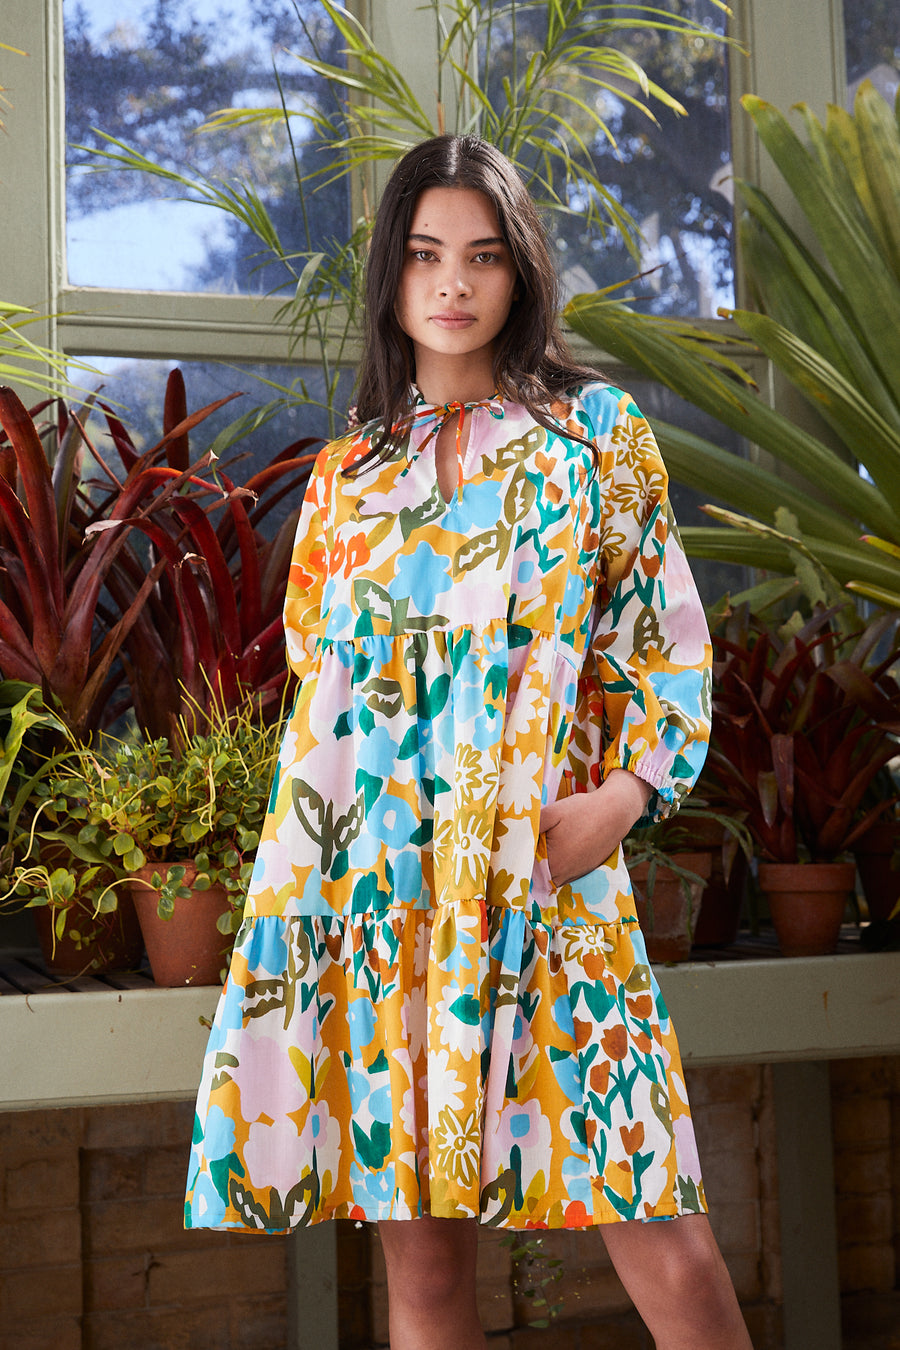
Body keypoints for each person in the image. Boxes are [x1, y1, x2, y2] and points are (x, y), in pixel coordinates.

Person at [185, 134, 751, 1350]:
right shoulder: (346, 478)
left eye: (483, 257)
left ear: (519, 275)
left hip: (547, 882)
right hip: (379, 896)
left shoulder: (596, 439)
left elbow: (671, 645)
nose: (454, 283)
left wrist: (626, 797)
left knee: (662, 1224)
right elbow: (318, 692)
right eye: (428, 255)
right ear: (392, 275)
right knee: (425, 1269)